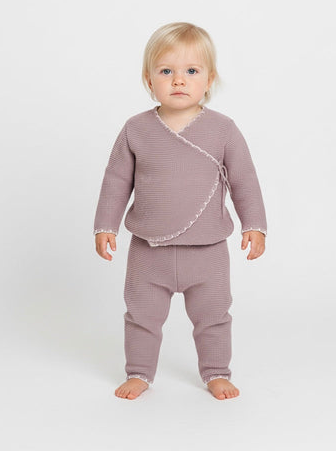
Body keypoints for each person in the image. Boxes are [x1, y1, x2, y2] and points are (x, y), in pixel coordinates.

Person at [93, 22, 267, 400]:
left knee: (214, 317)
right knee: (141, 316)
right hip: (148, 252)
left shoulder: (223, 130)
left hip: (208, 252)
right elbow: (116, 181)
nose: (178, 80)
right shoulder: (135, 129)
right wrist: (105, 226)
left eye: (191, 70)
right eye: (165, 71)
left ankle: (216, 372)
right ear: (149, 79)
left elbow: (244, 180)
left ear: (209, 79)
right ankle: (139, 372)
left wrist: (254, 224)